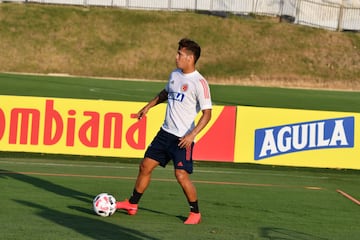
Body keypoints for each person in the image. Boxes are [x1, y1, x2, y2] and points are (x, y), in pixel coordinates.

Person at [116, 38, 212, 225]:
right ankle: (132, 204)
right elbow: (165, 93)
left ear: (190, 58)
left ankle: (195, 212)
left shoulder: (200, 83)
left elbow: (207, 114)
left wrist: (191, 136)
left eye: (180, 54)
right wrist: (148, 106)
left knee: (181, 175)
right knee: (145, 166)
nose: (176, 57)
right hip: (165, 133)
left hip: (183, 138)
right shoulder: (175, 75)